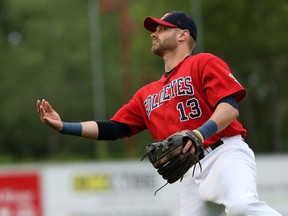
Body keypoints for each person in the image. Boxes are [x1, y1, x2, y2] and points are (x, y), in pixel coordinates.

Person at [37, 11, 282, 216]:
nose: (154, 33)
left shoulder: (203, 63)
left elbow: (229, 108)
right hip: (190, 169)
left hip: (224, 153)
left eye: (162, 29)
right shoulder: (147, 94)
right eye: (154, 30)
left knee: (242, 207)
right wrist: (63, 126)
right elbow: (113, 128)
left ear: (183, 35)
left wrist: (199, 133)